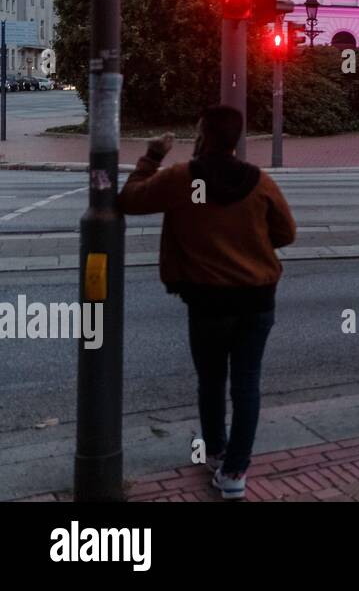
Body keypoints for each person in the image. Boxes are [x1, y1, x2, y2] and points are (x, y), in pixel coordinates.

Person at [118, 105, 295, 500]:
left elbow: (128, 200)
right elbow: (286, 232)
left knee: (212, 380)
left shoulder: (182, 179)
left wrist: (152, 156)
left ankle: (215, 452)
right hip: (256, 299)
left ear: (202, 135)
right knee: (247, 384)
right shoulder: (259, 181)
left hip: (208, 302)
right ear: (236, 138)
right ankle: (235, 473)